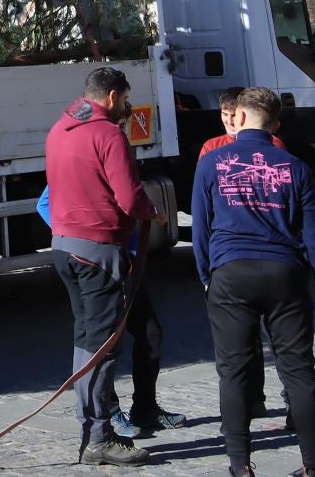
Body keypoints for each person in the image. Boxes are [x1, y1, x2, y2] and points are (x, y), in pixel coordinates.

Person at [193, 87, 315, 477]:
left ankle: (240, 465)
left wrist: (207, 276)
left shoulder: (211, 162)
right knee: (299, 372)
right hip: (284, 272)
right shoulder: (295, 167)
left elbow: (200, 230)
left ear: (237, 118)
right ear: (275, 124)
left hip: (230, 271)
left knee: (234, 371)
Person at [45, 65, 161, 467]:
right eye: (126, 100)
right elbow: (129, 199)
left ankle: (89, 428)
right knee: (102, 347)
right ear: (112, 97)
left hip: (64, 247)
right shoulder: (108, 134)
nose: (127, 107)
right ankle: (97, 437)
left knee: (85, 342)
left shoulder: (60, 129)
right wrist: (154, 212)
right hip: (98, 251)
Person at [36, 185, 188, 441]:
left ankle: (145, 409)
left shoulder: (119, 155)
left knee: (150, 332)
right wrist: (83, 235)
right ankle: (110, 412)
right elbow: (44, 204)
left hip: (126, 261)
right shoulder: (88, 158)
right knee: (103, 341)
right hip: (100, 261)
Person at [200, 89, 288, 158]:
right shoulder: (211, 146)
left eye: (234, 115)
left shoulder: (274, 144)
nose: (229, 121)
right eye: (225, 114)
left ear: (243, 115)